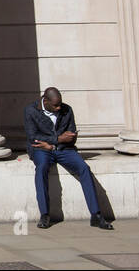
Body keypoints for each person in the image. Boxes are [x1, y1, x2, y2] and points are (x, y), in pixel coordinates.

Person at [25, 87, 112, 230]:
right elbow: (33, 136)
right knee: (41, 169)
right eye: (55, 105)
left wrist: (55, 143)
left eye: (60, 104)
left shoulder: (67, 110)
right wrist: (58, 138)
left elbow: (70, 137)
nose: (59, 108)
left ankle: (96, 215)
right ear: (45, 101)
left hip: (63, 149)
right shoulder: (30, 110)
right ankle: (45, 214)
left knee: (84, 168)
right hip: (41, 149)